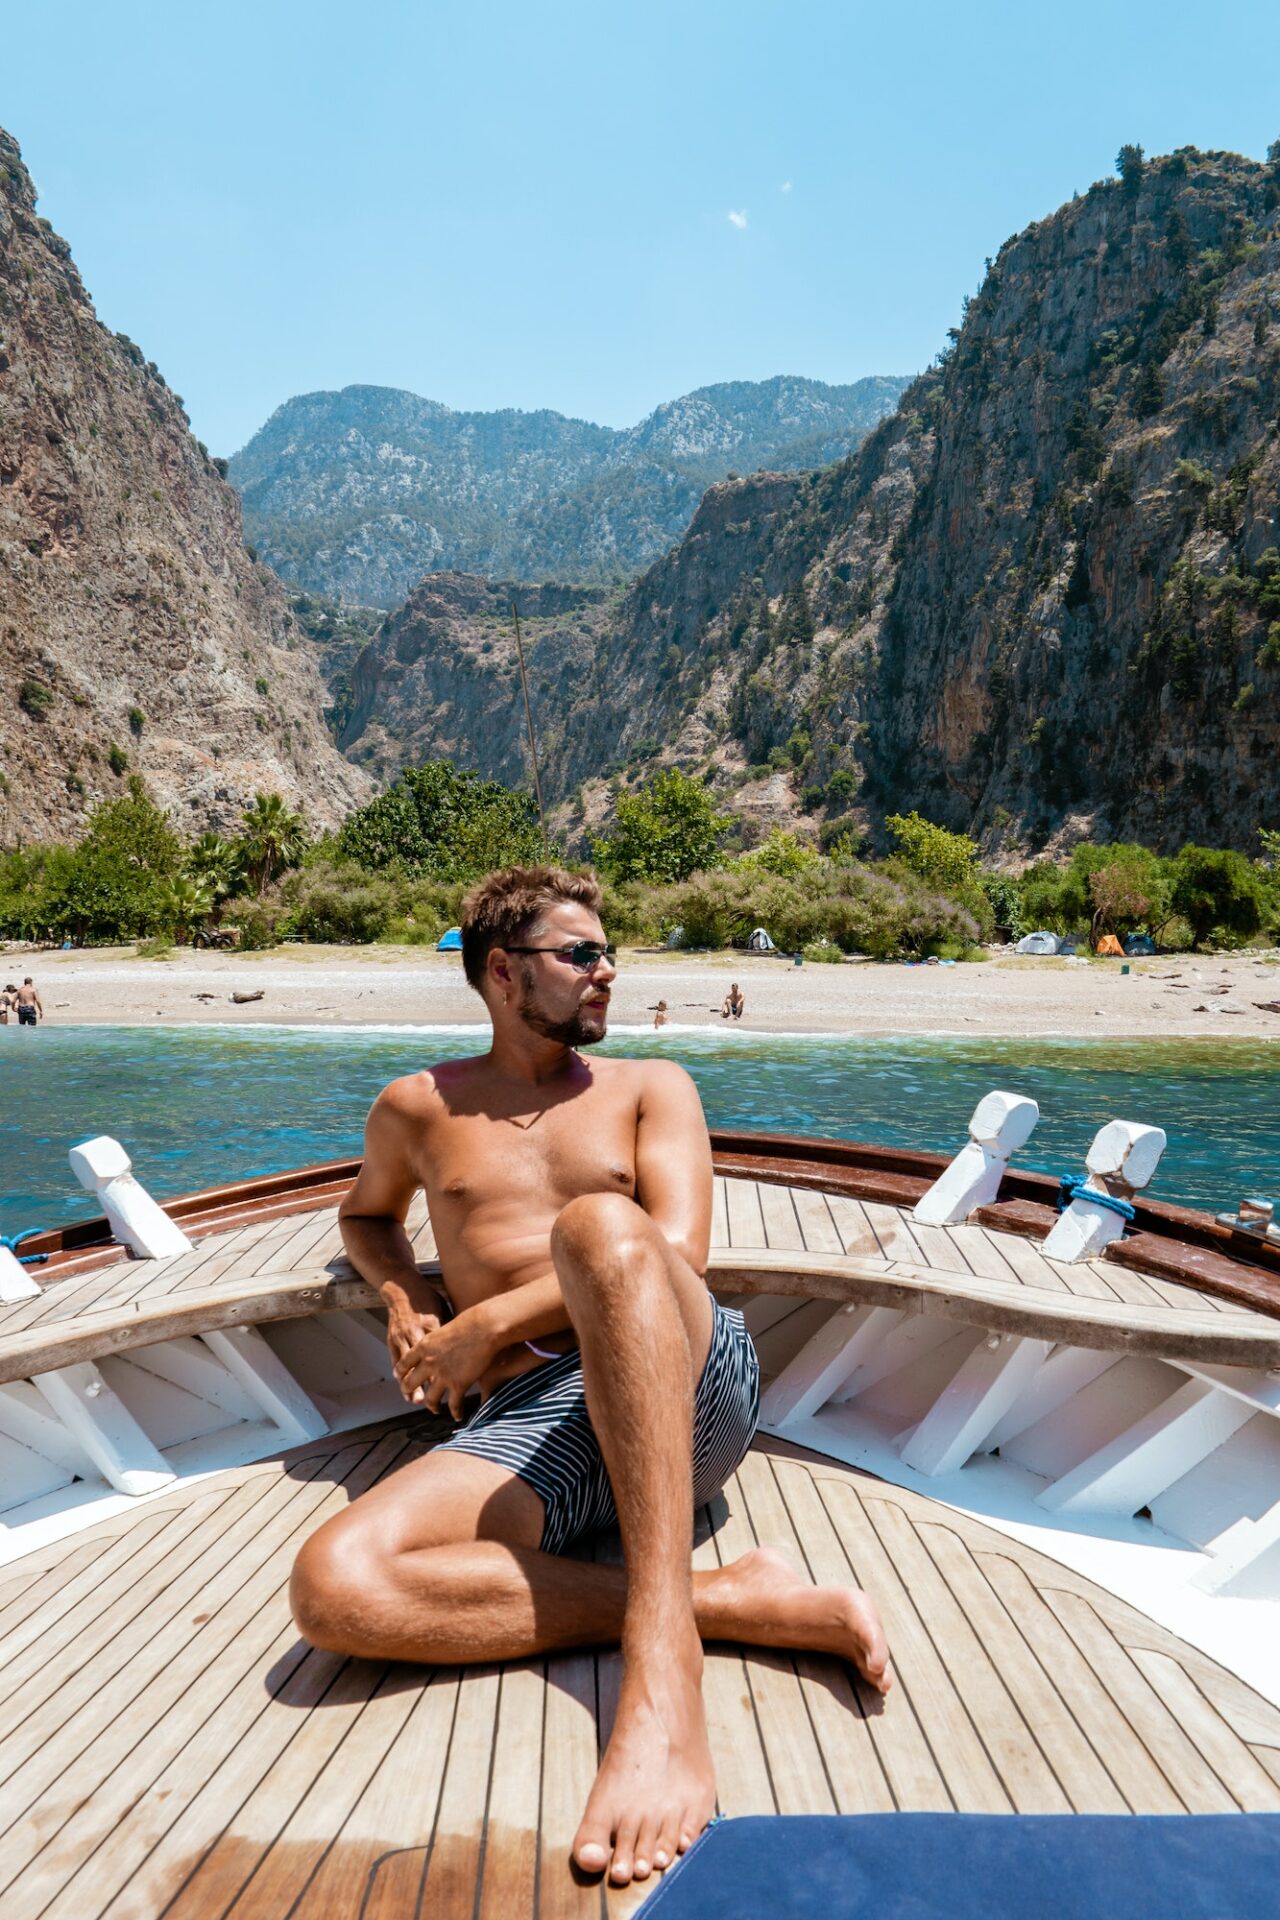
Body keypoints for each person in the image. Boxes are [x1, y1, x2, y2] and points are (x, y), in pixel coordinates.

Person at [290, 866, 889, 1889]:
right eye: (580, 955)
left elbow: (677, 1251)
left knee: (600, 1228)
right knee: (335, 1587)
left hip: (686, 1376)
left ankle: (663, 1672)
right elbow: (364, 1217)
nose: (606, 972)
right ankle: (734, 1600)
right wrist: (406, 1305)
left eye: (609, 953)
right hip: (531, 1417)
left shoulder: (651, 1088)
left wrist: (479, 1322)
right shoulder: (414, 1108)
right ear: (500, 973)